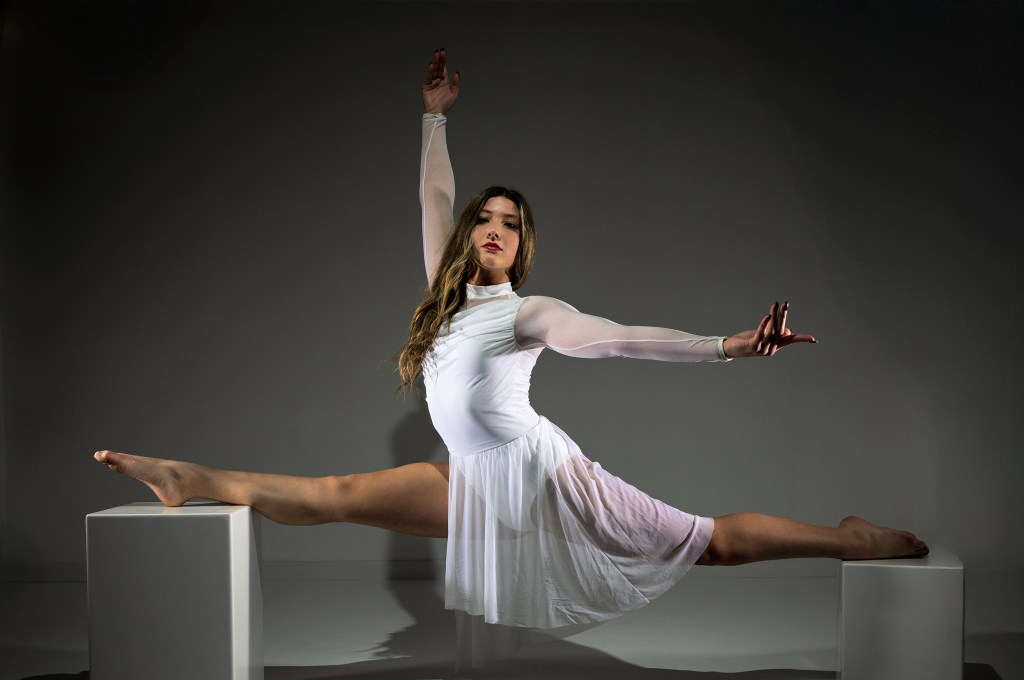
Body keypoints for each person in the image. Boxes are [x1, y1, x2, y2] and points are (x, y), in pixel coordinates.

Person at [95, 49, 927, 629]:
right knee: (340, 494)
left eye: (510, 225)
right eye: (485, 219)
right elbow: (433, 196)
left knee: (708, 544)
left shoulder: (527, 312)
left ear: (524, 247)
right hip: (475, 483)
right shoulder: (446, 298)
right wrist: (432, 118)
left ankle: (851, 540)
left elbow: (615, 339)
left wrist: (726, 345)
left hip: (544, 477)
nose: (494, 229)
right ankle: (187, 475)